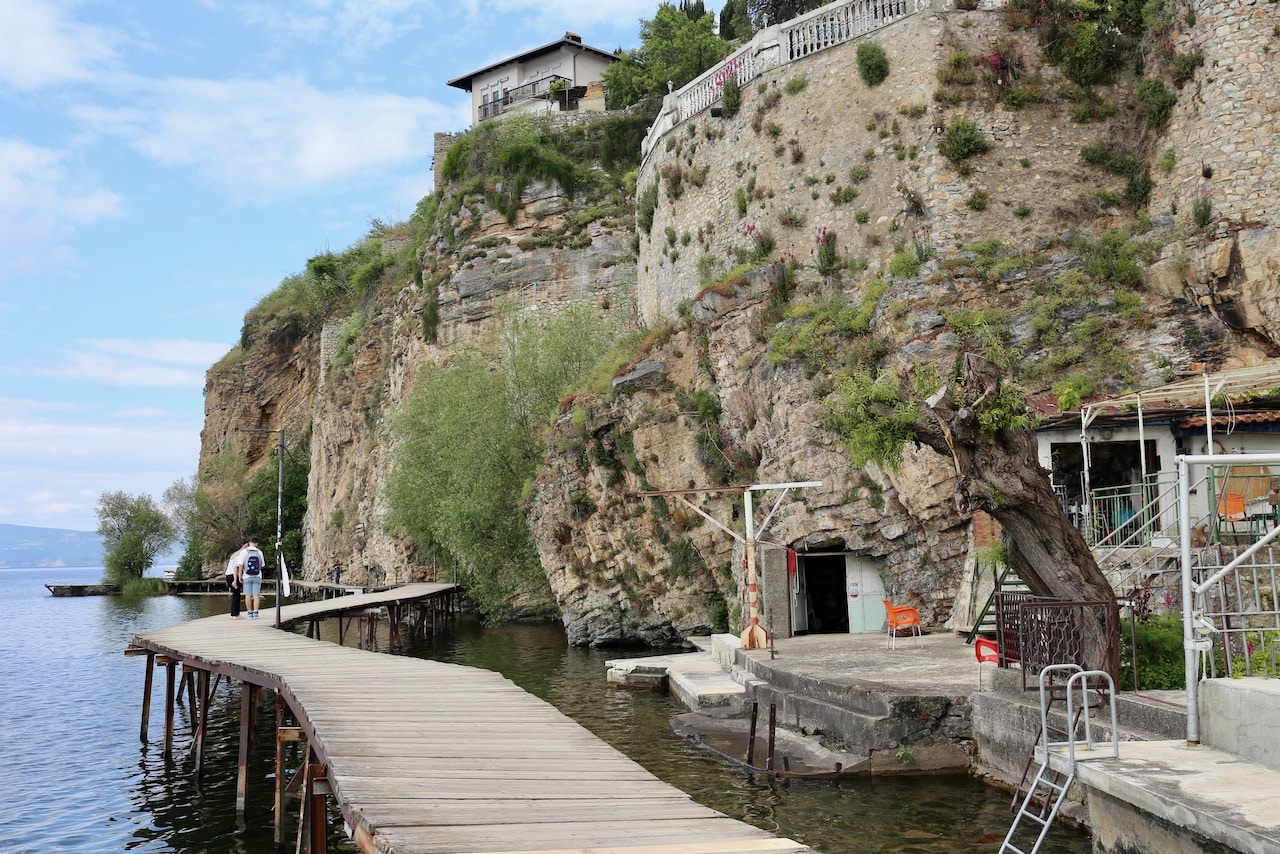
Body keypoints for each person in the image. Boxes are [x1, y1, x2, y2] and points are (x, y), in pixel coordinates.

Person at [237, 537, 267, 619]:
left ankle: (249, 613)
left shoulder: (244, 551)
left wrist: (240, 575)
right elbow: (262, 565)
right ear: (257, 543)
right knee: (256, 595)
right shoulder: (259, 552)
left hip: (246, 576)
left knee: (247, 595)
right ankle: (256, 613)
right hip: (257, 576)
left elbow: (240, 564)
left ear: (249, 542)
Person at [224, 544, 244, 618]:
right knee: (236, 595)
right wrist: (236, 579)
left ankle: (233, 613)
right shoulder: (239, 557)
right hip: (233, 576)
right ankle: (235, 614)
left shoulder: (233, 556)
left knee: (234, 595)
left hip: (228, 575)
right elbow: (235, 568)